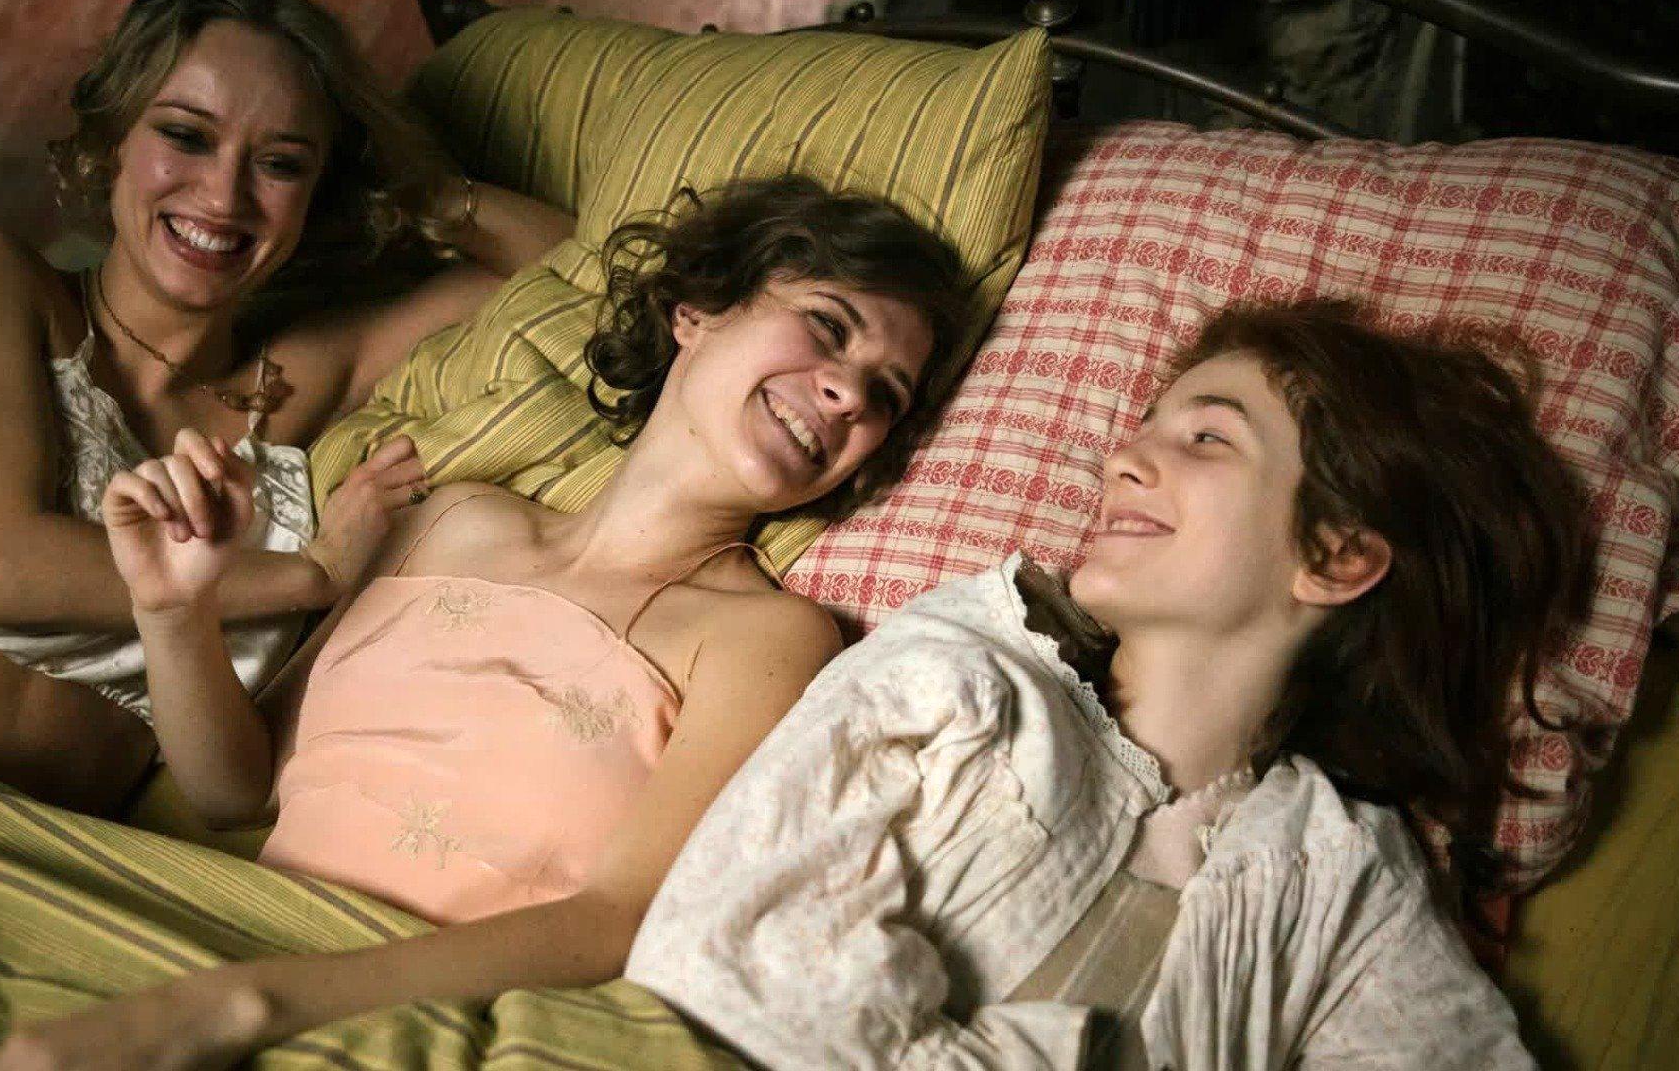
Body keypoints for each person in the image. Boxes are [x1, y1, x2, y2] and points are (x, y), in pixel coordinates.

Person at [0, 174, 972, 1070]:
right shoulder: (450, 517)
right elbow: (232, 790)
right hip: (229, 943)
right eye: (828, 328)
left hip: (378, 1013)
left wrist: (247, 1006)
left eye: (885, 396)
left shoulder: (766, 637)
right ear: (698, 312)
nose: (848, 393)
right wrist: (171, 609)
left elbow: (618, 921)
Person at [627, 299, 1596, 1069]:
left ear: (1336, 558)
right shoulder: (962, 668)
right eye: (1141, 428)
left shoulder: (1342, 870)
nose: (1121, 458)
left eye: (1208, 439)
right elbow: (721, 969)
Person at [0, 0, 575, 814]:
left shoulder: (301, 381)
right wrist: (308, 576)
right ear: (113, 139)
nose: (224, 197)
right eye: (186, 136)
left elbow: (565, 272)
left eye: (281, 163)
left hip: (45, 845)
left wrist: (400, 191)